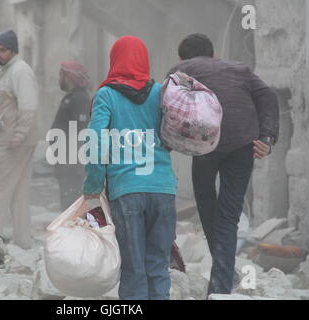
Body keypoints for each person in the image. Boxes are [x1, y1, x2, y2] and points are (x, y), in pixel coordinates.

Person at [167, 33, 279, 296]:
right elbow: (268, 97)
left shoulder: (179, 70)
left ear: (183, 58)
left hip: (205, 144)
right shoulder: (240, 69)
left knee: (206, 199)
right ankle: (223, 278)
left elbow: (167, 104)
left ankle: (222, 279)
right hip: (243, 143)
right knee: (229, 216)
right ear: (213, 54)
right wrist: (267, 137)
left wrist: (168, 140)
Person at [83, 36, 178, 300]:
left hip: (126, 191)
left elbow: (96, 142)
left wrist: (92, 185)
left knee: (134, 268)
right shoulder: (161, 92)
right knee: (158, 268)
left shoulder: (106, 95)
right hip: (163, 189)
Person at [0, 30, 39, 249]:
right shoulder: (9, 71)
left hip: (13, 142)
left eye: (3, 50)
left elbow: (28, 106)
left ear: (13, 50)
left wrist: (18, 135)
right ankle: (23, 240)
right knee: (18, 191)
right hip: (13, 139)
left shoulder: (19, 71)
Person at [51, 61, 90, 210]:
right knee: (68, 209)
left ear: (69, 77)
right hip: (67, 165)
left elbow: (81, 131)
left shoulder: (79, 99)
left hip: (73, 167)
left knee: (73, 211)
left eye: (61, 74)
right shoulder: (72, 97)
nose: (59, 78)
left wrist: (71, 162)